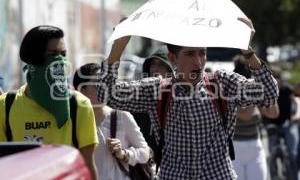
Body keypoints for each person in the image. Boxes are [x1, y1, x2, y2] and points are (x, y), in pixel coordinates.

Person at [96, 17, 279, 179]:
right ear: (173, 58)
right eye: (190, 54)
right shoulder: (157, 89)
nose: (198, 62)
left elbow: (269, 93)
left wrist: (247, 50)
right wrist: (118, 47)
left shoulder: (223, 82)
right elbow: (105, 94)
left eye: (202, 53)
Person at [0, 26, 98, 180]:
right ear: (32, 60)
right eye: (52, 55)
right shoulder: (5, 106)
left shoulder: (79, 105)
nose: (59, 61)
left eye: (63, 54)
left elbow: (87, 166)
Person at [73, 63, 150, 180]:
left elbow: (145, 153)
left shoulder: (121, 117)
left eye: (106, 85)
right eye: (98, 85)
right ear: (82, 90)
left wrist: (123, 153)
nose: (104, 90)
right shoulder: (71, 121)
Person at [231, 55, 279, 180]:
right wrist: (254, 95)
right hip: (234, 148)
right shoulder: (231, 93)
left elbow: (273, 113)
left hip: (255, 147)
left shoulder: (256, 92)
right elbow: (245, 115)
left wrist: (268, 92)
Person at [131, 46, 173, 162]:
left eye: (161, 65)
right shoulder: (139, 97)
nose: (155, 69)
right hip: (145, 165)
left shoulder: (180, 100)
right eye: (153, 64)